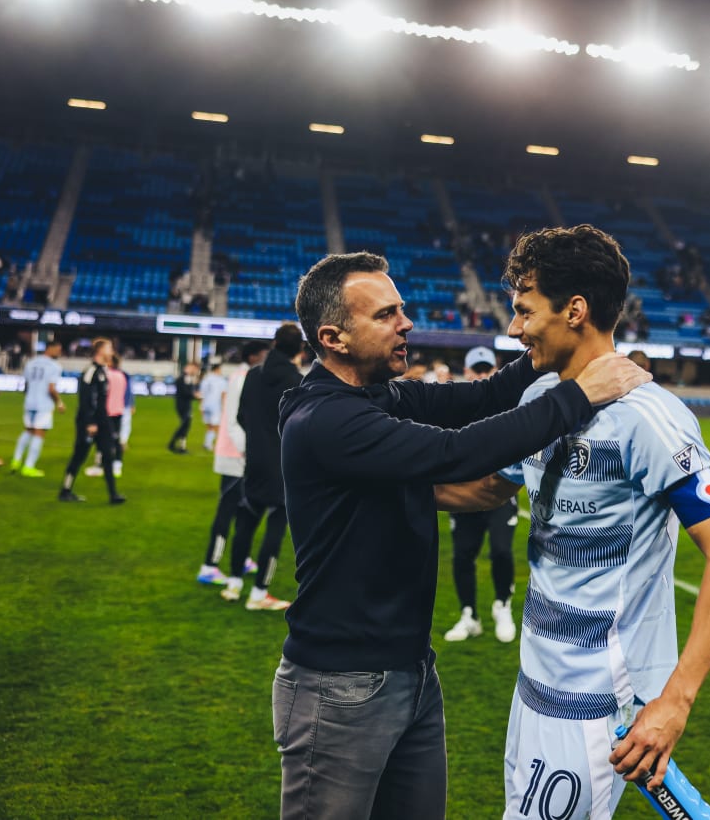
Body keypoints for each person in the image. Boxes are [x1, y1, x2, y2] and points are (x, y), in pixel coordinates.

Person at [274, 250, 649, 820]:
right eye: (384, 316)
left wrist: (550, 351)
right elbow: (457, 453)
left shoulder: (381, 395)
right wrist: (578, 395)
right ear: (334, 337)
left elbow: (482, 399)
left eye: (401, 308)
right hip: (339, 686)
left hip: (411, 672)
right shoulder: (325, 421)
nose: (406, 323)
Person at [434, 225, 710, 819]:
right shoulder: (539, 399)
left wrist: (675, 702)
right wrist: (368, 483)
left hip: (599, 703)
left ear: (575, 310)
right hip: (535, 686)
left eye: (524, 310)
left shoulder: (648, 417)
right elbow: (485, 487)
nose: (514, 328)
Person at [219, 326, 303, 610]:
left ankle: (234, 582)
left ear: (274, 343)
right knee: (275, 528)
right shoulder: (297, 380)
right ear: (299, 350)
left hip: (253, 460)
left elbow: (241, 415)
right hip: (283, 464)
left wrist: (255, 441)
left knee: (245, 521)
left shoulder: (253, 375)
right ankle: (258, 593)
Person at [442, 346, 520, 644]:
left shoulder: (509, 404)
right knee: (463, 555)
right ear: (467, 372)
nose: (482, 375)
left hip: (500, 492)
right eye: (477, 370)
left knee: (501, 550)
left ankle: (503, 605)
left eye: (487, 369)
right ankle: (469, 614)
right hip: (465, 494)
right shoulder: (455, 405)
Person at [197, 340, 268, 586]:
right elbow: (235, 420)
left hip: (241, 455)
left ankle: (243, 556)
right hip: (235, 457)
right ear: (252, 357)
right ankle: (209, 565)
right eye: (263, 355)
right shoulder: (242, 379)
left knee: (244, 510)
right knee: (226, 511)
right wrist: (246, 450)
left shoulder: (245, 376)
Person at [58, 338, 126, 505]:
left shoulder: (103, 371)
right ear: (100, 350)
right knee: (79, 456)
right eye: (109, 347)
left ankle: (113, 494)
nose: (112, 351)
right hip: (89, 423)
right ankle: (65, 491)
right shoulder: (90, 371)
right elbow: (86, 399)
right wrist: (90, 422)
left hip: (103, 421)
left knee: (108, 455)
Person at [11, 339, 65, 477]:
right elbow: (51, 388)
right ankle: (28, 466)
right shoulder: (55, 366)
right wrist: (59, 402)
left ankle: (16, 460)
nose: (59, 352)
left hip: (30, 401)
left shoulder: (31, 362)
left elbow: (26, 384)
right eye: (58, 350)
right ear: (50, 348)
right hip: (44, 403)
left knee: (28, 430)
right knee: (39, 433)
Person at [86, 353, 128, 478]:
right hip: (118, 411)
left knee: (101, 440)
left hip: (106, 412)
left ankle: (99, 466)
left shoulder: (105, 375)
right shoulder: (122, 375)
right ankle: (117, 466)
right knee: (116, 439)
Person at [168, 362, 200, 454]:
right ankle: (172, 443)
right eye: (195, 369)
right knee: (184, 425)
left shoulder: (187, 378)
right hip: (183, 405)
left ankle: (182, 446)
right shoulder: (183, 378)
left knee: (186, 426)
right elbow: (185, 393)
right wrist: (195, 396)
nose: (196, 372)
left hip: (185, 404)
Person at [198, 360, 227, 452]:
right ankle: (216, 445)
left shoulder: (206, 379)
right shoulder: (222, 380)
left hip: (205, 405)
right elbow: (223, 394)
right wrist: (224, 407)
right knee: (217, 426)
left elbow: (202, 393)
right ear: (217, 369)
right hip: (216, 406)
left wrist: (201, 406)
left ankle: (207, 443)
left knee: (209, 426)